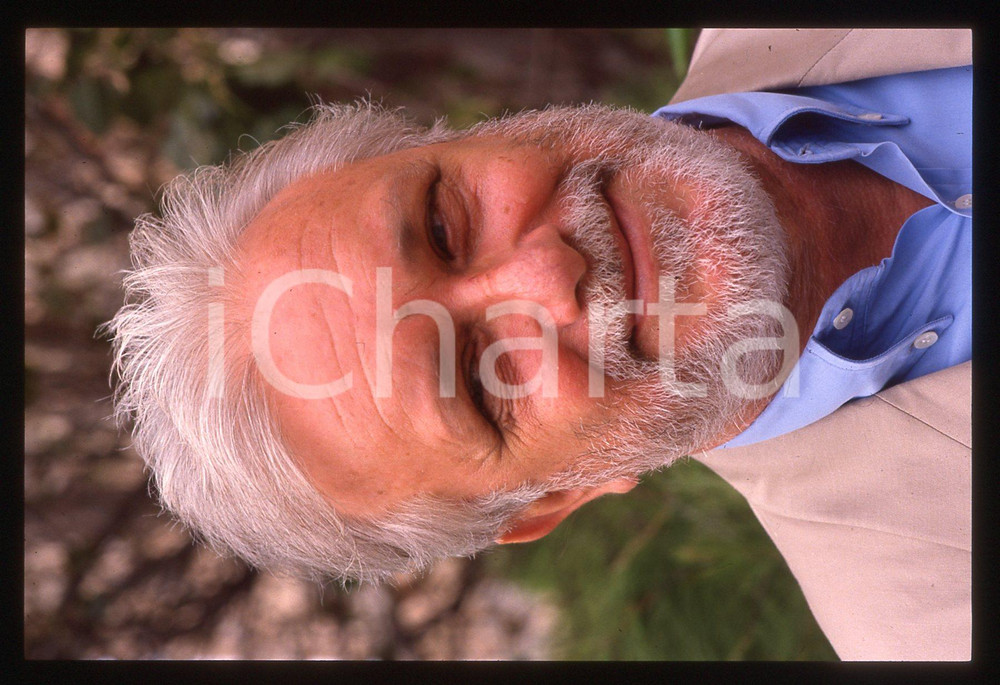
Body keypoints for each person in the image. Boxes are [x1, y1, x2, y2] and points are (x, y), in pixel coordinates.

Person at [106, 29, 971, 660]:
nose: (545, 272)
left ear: (460, 133)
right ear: (555, 498)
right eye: (483, 380)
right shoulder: (939, 622)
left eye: (443, 226)